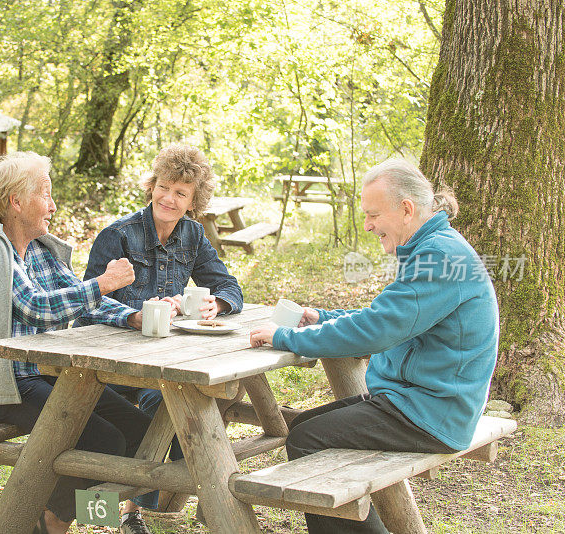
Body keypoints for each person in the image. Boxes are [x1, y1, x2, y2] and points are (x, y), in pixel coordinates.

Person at [0, 152, 163, 534]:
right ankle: (52, 522)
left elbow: (76, 297)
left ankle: (63, 517)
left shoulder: (40, 249)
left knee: (140, 429)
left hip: (45, 377)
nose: (53, 205)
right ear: (17, 201)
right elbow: (35, 308)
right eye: (46, 194)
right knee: (106, 440)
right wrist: (104, 282)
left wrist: (130, 316)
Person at [250, 159, 499, 534]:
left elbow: (378, 329)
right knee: (306, 425)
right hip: (421, 402)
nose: (367, 225)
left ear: (406, 209)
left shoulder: (439, 257)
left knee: (306, 440)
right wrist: (324, 317)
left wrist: (286, 337)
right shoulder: (432, 247)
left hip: (432, 412)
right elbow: (389, 315)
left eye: (372, 214)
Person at [80, 143, 243, 466]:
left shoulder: (193, 235)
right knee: (173, 402)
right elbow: (88, 305)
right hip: (109, 361)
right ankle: (142, 502)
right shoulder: (119, 235)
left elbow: (229, 286)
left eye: (181, 193)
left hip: (163, 363)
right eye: (163, 187)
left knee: (190, 399)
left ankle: (184, 489)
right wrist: (134, 316)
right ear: (151, 186)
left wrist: (217, 304)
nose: (168, 199)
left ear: (194, 201)